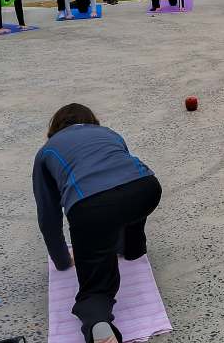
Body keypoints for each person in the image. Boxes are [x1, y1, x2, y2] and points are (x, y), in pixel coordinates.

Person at [33, 104, 162, 343]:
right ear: (93, 121)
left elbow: (49, 216)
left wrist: (62, 260)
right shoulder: (110, 134)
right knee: (127, 200)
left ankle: (99, 324)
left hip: (91, 207)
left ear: (54, 128)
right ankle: (133, 248)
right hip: (146, 188)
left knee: (96, 285)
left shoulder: (46, 151)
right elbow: (120, 172)